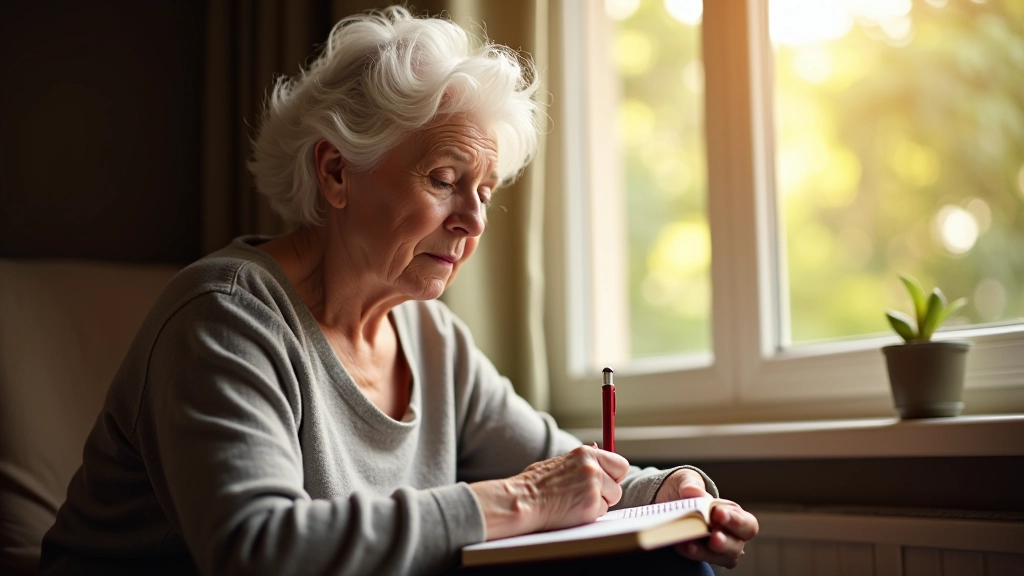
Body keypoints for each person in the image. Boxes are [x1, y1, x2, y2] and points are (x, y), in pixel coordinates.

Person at [40, 7, 757, 575]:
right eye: (445, 180)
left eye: (485, 191)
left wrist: (671, 492)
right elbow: (258, 549)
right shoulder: (225, 316)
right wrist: (521, 499)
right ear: (336, 174)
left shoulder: (432, 339)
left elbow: (566, 464)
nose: (473, 220)